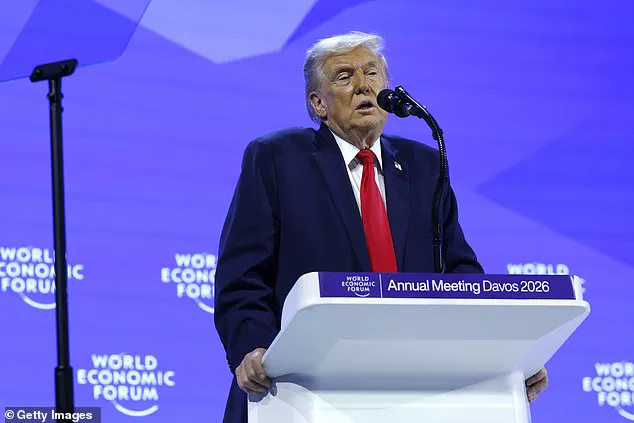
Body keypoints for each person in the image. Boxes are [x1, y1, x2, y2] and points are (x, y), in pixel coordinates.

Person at [213, 31, 548, 422]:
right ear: (318, 103)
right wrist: (253, 347)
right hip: (302, 390)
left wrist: (506, 358)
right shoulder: (278, 159)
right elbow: (243, 275)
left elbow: (461, 275)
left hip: (411, 390)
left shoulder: (424, 165)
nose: (363, 86)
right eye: (344, 76)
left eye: (372, 73)